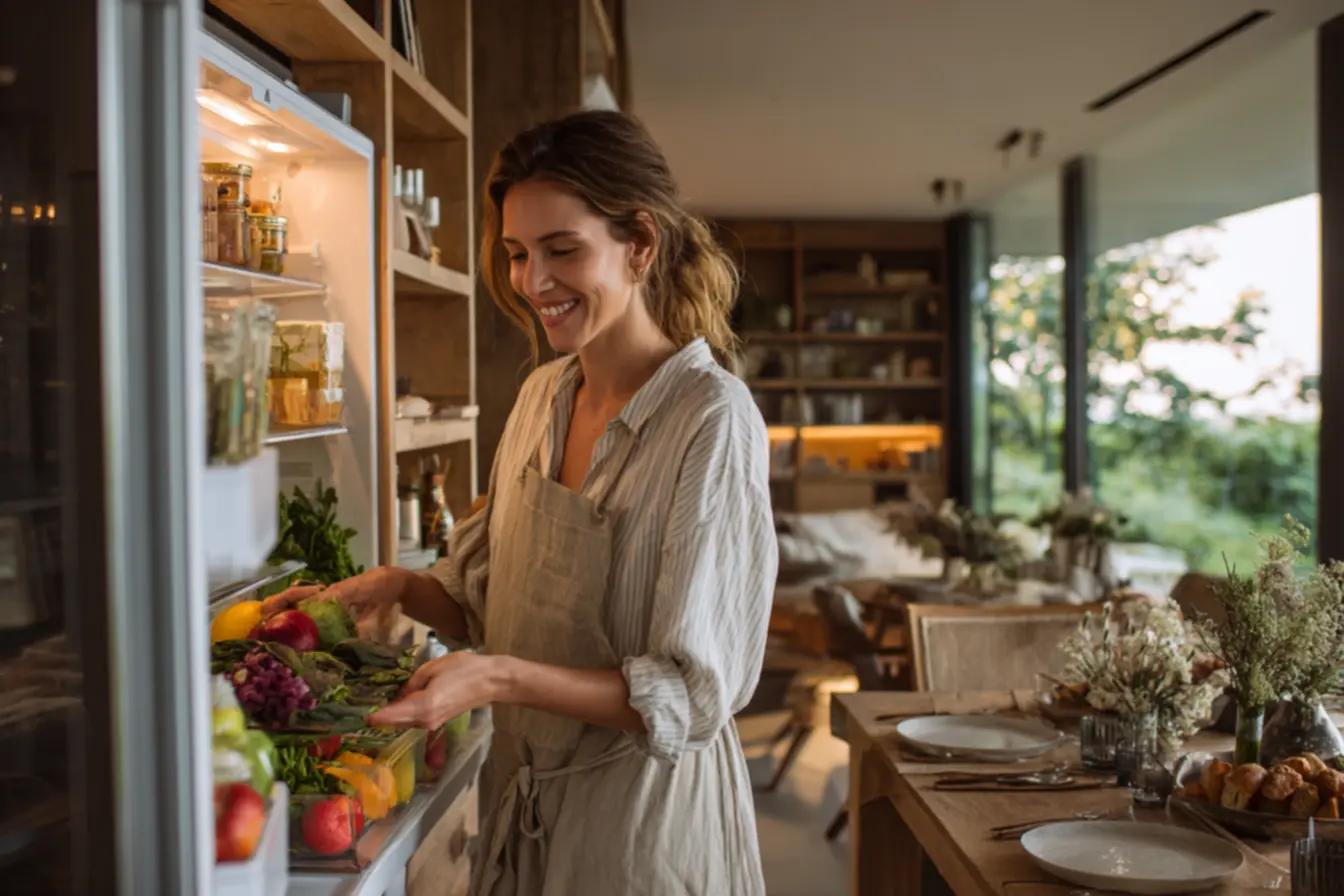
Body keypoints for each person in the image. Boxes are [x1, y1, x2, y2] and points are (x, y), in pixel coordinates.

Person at [265, 109, 777, 895]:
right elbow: (483, 601)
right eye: (515, 254)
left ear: (640, 243)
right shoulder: (542, 397)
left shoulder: (711, 418)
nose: (533, 283)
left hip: (644, 833)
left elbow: (690, 694)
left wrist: (500, 679)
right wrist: (399, 590)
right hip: (524, 804)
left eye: (562, 250)